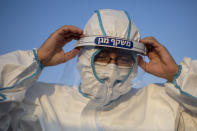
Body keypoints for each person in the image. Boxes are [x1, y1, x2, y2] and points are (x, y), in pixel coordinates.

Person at [0, 9, 197, 131]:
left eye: (123, 59)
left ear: (136, 63)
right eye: (102, 57)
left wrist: (178, 75)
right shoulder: (40, 103)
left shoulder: (164, 105)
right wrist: (37, 59)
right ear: (84, 56)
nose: (112, 68)